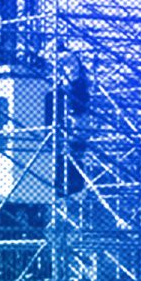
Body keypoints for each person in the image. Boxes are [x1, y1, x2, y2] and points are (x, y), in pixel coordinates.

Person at [42, 39, 91, 196]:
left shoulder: (66, 56)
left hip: (76, 89)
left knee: (77, 121)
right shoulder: (69, 59)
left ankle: (75, 144)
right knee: (75, 119)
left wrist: (42, 55)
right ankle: (74, 143)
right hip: (75, 89)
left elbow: (49, 58)